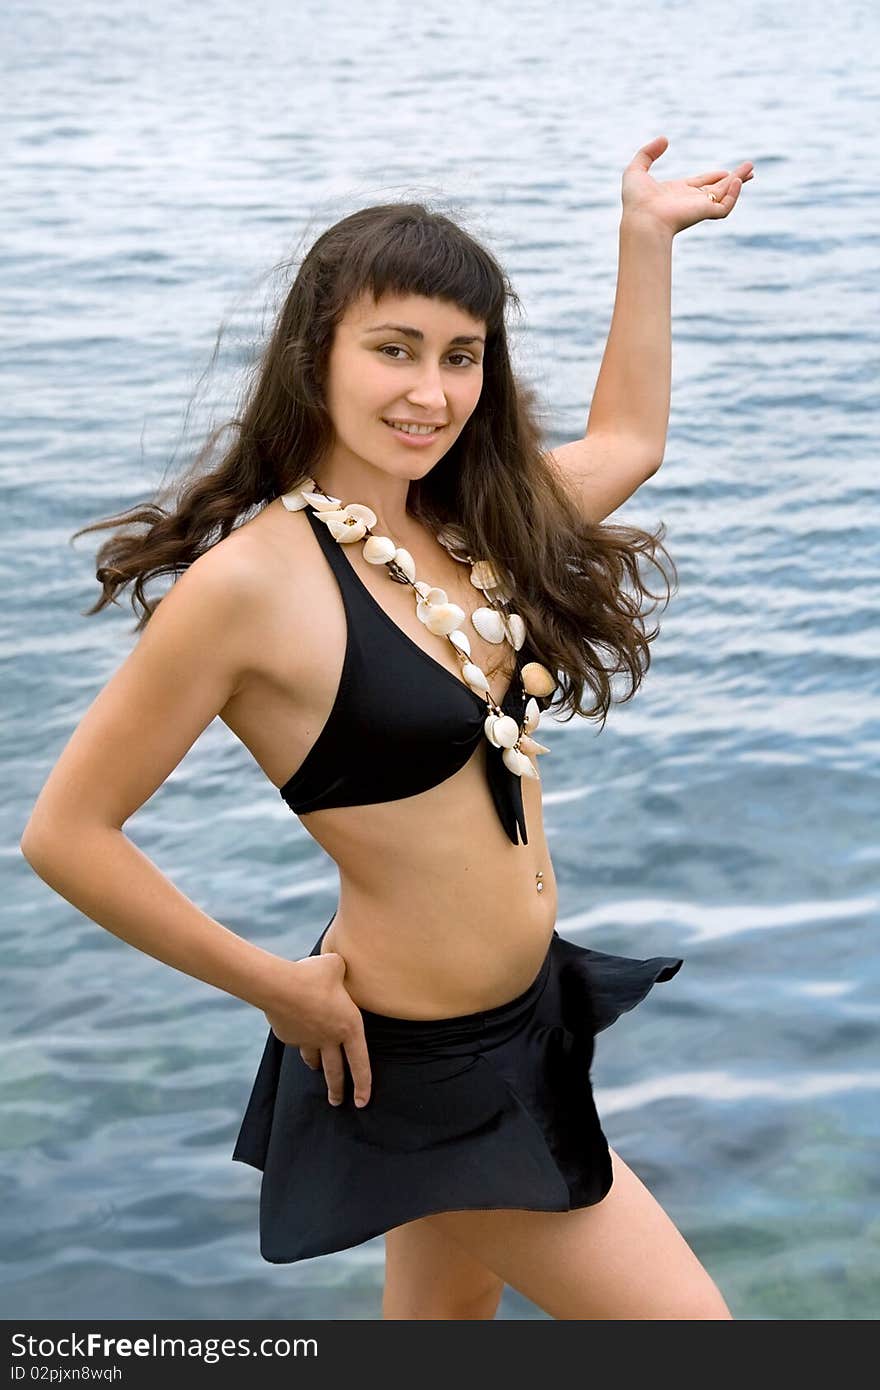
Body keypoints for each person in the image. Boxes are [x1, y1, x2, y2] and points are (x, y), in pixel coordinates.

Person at [20, 138, 752, 1319]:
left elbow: (627, 442)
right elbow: (68, 834)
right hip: (422, 1067)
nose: (432, 392)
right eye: (395, 350)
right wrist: (273, 986)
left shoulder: (470, 529)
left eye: (461, 358)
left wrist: (644, 238)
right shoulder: (249, 586)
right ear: (318, 358)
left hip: (520, 1020)